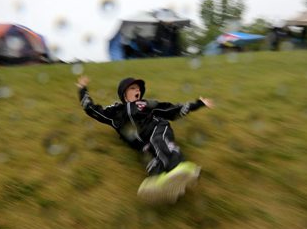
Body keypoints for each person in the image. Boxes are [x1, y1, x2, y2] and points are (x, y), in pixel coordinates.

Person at [76, 75, 214, 203]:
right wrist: (82, 89)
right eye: (133, 88)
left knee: (158, 142)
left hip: (157, 128)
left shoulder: (145, 104)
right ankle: (160, 182)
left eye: (138, 88)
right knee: (150, 158)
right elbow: (91, 109)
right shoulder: (115, 112)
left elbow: (171, 109)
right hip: (143, 144)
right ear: (124, 93)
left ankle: (179, 166)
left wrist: (198, 104)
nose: (137, 90)